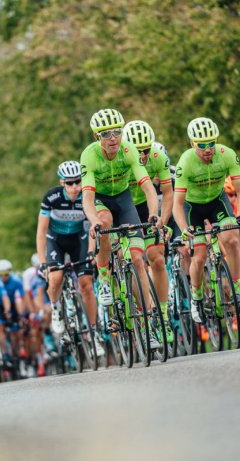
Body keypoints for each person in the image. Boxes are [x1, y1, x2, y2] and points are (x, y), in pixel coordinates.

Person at [81, 108, 160, 318]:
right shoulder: (89, 155)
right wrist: (93, 221)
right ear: (97, 136)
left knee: (136, 258)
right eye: (106, 134)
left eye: (117, 131)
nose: (113, 138)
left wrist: (153, 213)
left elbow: (147, 186)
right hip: (100, 199)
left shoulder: (129, 150)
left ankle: (147, 315)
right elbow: (87, 197)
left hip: (124, 199)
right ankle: (105, 278)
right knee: (104, 222)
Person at [172, 117, 240, 323]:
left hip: (217, 201)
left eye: (211, 143)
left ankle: (236, 291)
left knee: (232, 239)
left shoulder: (227, 155)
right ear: (192, 144)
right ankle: (197, 299)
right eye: (202, 145)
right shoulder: (185, 162)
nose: (208, 149)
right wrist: (184, 229)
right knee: (199, 255)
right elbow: (177, 204)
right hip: (192, 207)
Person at [36, 160, 105, 356]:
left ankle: (93, 332)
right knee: (56, 277)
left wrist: (92, 251)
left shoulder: (87, 195)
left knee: (86, 284)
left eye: (78, 182)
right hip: (55, 240)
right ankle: (56, 308)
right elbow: (41, 232)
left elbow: (94, 225)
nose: (75, 187)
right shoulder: (52, 197)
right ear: (62, 182)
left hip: (79, 240)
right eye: (70, 183)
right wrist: (43, 263)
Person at [123, 120, 174, 342]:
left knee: (158, 259)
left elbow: (168, 193)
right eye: (138, 151)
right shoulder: (120, 158)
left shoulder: (157, 157)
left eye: (146, 150)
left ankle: (162, 316)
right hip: (123, 208)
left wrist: (162, 220)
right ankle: (132, 310)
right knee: (134, 260)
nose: (142, 155)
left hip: (146, 207)